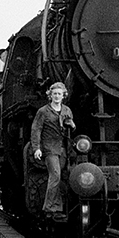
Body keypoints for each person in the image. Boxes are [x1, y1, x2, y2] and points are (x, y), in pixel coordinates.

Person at [30, 81, 75, 219]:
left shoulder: (67, 110)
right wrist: (36, 148)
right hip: (49, 147)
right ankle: (50, 208)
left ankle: (59, 206)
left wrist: (72, 125)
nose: (56, 96)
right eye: (54, 94)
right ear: (50, 95)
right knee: (55, 175)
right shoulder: (43, 111)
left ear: (63, 95)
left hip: (63, 148)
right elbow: (36, 129)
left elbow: (71, 128)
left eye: (59, 94)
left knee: (61, 176)